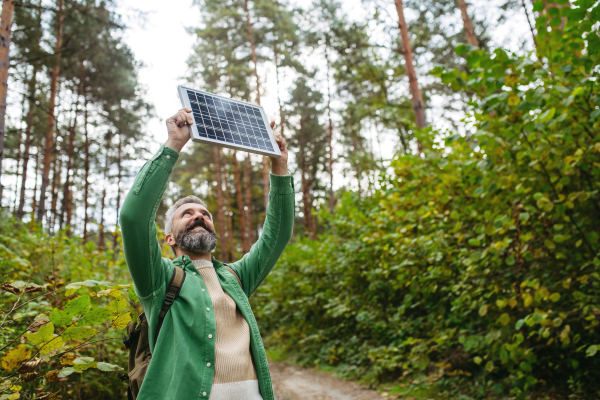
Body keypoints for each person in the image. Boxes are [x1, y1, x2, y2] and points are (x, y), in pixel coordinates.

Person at [120, 107, 295, 400]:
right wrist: (174, 144)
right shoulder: (159, 279)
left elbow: (277, 236)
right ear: (169, 237)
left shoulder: (235, 277)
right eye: (186, 214)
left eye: (205, 214)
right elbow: (133, 219)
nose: (199, 216)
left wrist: (279, 166)